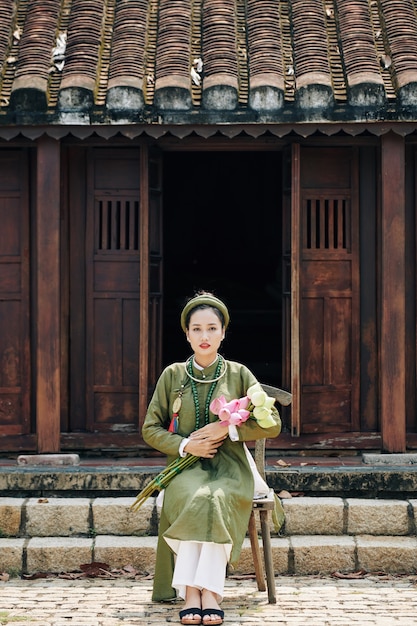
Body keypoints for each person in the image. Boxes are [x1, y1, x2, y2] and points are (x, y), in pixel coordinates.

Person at [142, 291, 282, 626]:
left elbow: (271, 425)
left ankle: (210, 592)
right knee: (194, 496)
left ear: (223, 332)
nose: (204, 336)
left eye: (211, 329)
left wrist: (228, 431)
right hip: (186, 467)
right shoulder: (173, 375)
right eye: (197, 329)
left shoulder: (238, 374)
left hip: (231, 467)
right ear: (186, 334)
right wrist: (185, 446)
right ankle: (194, 592)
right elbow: (151, 428)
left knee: (215, 499)